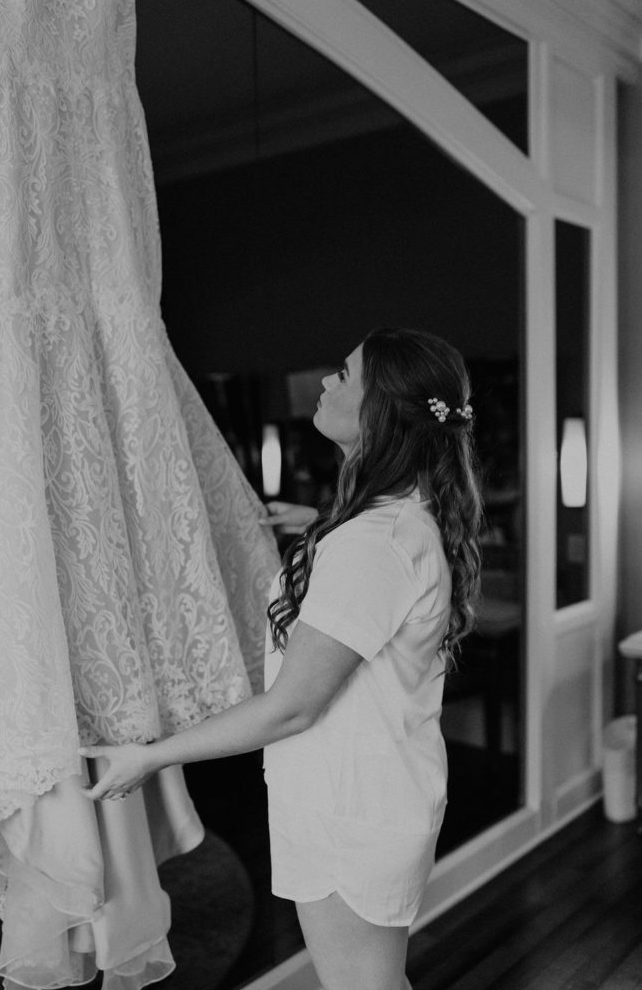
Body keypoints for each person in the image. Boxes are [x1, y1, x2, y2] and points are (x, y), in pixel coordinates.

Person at [81, 327, 483, 990]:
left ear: (381, 410)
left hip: (350, 810)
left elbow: (292, 707)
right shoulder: (394, 519)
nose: (326, 382)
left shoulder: (371, 544)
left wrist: (153, 755)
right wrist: (314, 524)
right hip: (370, 794)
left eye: (345, 375)